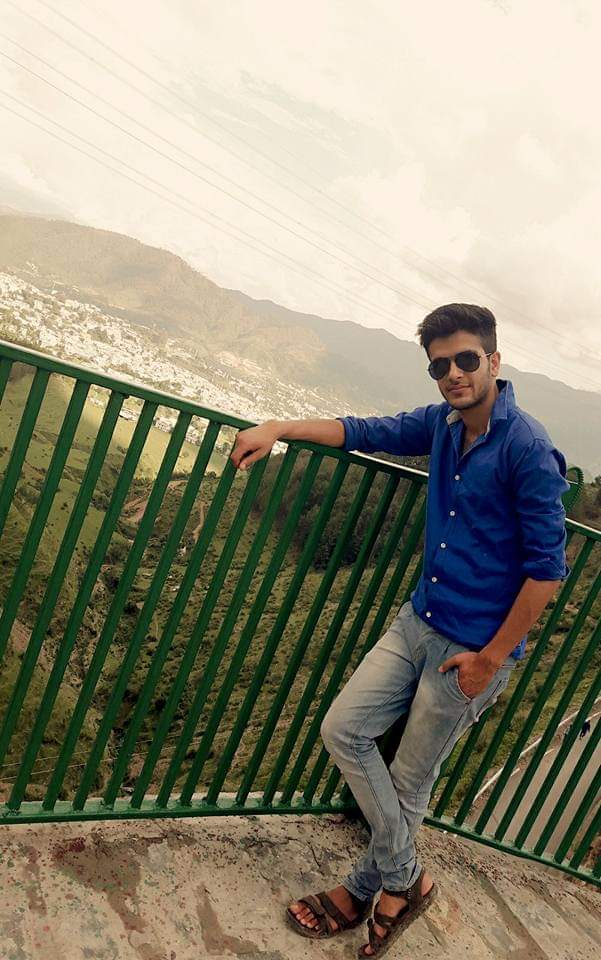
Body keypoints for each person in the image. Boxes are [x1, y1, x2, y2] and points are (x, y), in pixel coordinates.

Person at [229, 303, 569, 957]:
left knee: (409, 783)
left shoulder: (527, 449)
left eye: (465, 359)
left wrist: (490, 660)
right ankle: (405, 881)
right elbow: (361, 430)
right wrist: (278, 427)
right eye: (440, 366)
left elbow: (547, 573)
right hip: (417, 620)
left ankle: (363, 891)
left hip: (469, 650)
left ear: (494, 361)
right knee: (344, 729)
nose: (453, 374)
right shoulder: (442, 424)